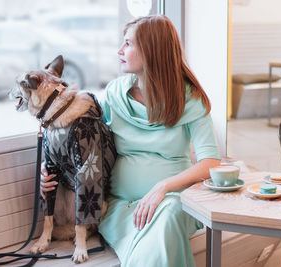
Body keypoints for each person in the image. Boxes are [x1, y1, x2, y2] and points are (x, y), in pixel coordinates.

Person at [41, 15, 221, 267]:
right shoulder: (115, 94)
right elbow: (83, 143)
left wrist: (163, 187)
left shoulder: (191, 99)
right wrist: (50, 173)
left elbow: (211, 162)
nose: (120, 50)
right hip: (121, 208)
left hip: (174, 200)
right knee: (153, 246)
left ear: (151, 50)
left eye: (128, 44)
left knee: (167, 215)